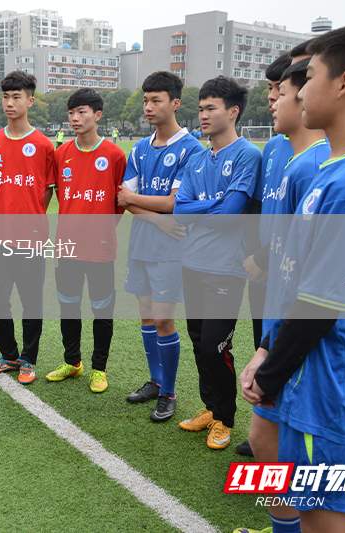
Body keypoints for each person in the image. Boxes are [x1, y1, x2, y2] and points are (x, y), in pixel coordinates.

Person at [241, 23, 345, 533]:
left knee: (323, 518)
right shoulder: (335, 169)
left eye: (310, 78)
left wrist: (270, 374)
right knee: (303, 504)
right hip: (311, 373)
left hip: (330, 382)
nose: (299, 92)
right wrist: (267, 347)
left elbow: (322, 303)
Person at [233, 58, 331, 533]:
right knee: (266, 438)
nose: (272, 98)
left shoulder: (325, 168)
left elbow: (326, 282)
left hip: (309, 338)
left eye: (285, 88)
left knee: (301, 456)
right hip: (281, 317)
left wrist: (273, 351)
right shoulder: (287, 155)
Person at [172, 76, 261, 450]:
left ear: (233, 111)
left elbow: (231, 215)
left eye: (211, 108)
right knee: (198, 341)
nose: (203, 115)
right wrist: (215, 204)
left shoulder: (247, 155)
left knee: (215, 345)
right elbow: (179, 210)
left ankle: (225, 417)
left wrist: (204, 208)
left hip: (226, 267)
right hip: (192, 262)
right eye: (201, 108)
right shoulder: (197, 158)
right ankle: (211, 408)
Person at [118, 72, 204, 421]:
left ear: (175, 103)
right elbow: (123, 199)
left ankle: (169, 391)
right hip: (142, 243)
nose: (148, 107)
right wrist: (157, 219)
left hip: (170, 250)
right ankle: (155, 381)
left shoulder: (191, 149)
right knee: (146, 316)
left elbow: (174, 202)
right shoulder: (140, 149)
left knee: (165, 320)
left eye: (156, 100)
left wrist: (143, 204)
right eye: (145, 100)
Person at [0, 70, 56, 385]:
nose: (9, 103)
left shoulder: (43, 145)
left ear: (30, 101)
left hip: (30, 239)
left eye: (16, 97)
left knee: (31, 301)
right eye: (6, 97)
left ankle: (28, 360)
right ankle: (8, 355)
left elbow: (47, 190)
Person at [46, 88, 126, 394]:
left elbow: (119, 204)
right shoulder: (61, 154)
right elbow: (61, 196)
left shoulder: (114, 155)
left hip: (100, 248)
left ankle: (99, 369)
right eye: (71, 113)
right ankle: (72, 362)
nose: (75, 118)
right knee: (68, 306)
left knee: (102, 310)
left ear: (97, 115)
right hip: (67, 246)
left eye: (82, 112)